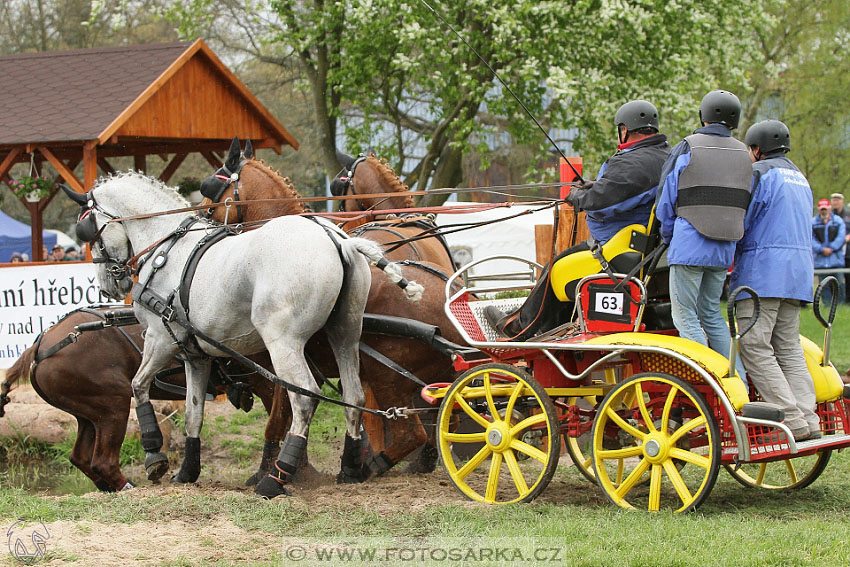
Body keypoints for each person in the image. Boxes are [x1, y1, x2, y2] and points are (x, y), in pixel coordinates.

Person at [486, 99, 670, 339]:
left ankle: (521, 327)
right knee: (565, 257)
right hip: (641, 248)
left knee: (556, 268)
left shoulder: (632, 162)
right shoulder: (664, 154)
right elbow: (623, 191)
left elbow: (606, 202)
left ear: (624, 130)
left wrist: (578, 196)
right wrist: (594, 186)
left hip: (619, 251)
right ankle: (549, 323)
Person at [732, 119, 819, 441]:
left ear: (756, 149)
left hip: (764, 271)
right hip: (797, 272)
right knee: (788, 347)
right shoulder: (800, 177)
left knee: (754, 345)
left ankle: (789, 420)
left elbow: (744, 220)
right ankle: (808, 418)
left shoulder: (760, 173)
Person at [655, 90, 752, 379]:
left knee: (684, 315)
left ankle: (705, 381)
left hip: (690, 242)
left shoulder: (688, 147)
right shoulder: (744, 153)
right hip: (724, 249)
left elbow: (666, 197)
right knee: (711, 314)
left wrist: (669, 236)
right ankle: (737, 381)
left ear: (703, 115)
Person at [812, 197, 846, 304]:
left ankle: (839, 307)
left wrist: (831, 248)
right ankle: (826, 307)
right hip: (820, 261)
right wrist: (822, 249)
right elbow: (810, 239)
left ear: (830, 209)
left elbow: (841, 237)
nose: (824, 211)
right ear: (818, 209)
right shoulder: (812, 222)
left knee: (839, 285)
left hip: (836, 260)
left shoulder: (838, 221)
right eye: (822, 209)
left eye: (825, 209)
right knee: (824, 287)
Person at [830, 193, 850, 302]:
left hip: (847, 252)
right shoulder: (829, 215)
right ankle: (835, 301)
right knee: (834, 278)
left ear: (842, 201)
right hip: (834, 252)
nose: (835, 203)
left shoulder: (848, 214)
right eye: (833, 201)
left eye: (837, 200)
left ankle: (847, 301)